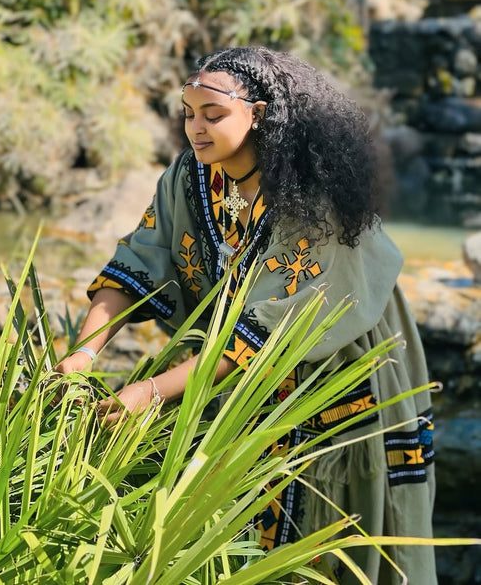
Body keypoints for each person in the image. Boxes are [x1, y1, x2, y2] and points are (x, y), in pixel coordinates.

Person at [55, 46, 437, 584]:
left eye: (214, 115)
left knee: (325, 527)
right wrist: (84, 353)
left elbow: (268, 331)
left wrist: (148, 391)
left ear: (258, 114)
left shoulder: (313, 196)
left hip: (337, 366)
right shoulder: (191, 177)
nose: (196, 128)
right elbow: (134, 263)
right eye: (188, 113)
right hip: (234, 366)